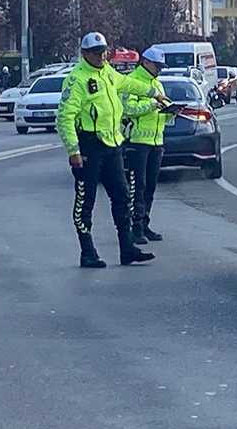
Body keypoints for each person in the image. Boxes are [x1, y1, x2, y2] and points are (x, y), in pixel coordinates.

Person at [57, 32, 170, 268]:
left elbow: (127, 83)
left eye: (104, 52)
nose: (102, 56)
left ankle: (127, 248)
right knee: (85, 201)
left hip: (112, 144)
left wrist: (154, 93)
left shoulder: (108, 72)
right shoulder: (77, 79)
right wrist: (73, 150)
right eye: (97, 53)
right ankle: (88, 252)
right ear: (85, 54)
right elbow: (65, 117)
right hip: (89, 145)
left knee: (122, 196)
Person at [121, 48, 169, 245]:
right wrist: (151, 105)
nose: (159, 70)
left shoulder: (157, 83)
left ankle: (144, 223)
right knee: (137, 187)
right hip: (137, 143)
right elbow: (128, 109)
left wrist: (170, 112)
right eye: (157, 66)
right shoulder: (132, 81)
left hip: (156, 142)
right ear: (146, 62)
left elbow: (160, 113)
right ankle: (135, 228)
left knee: (150, 187)